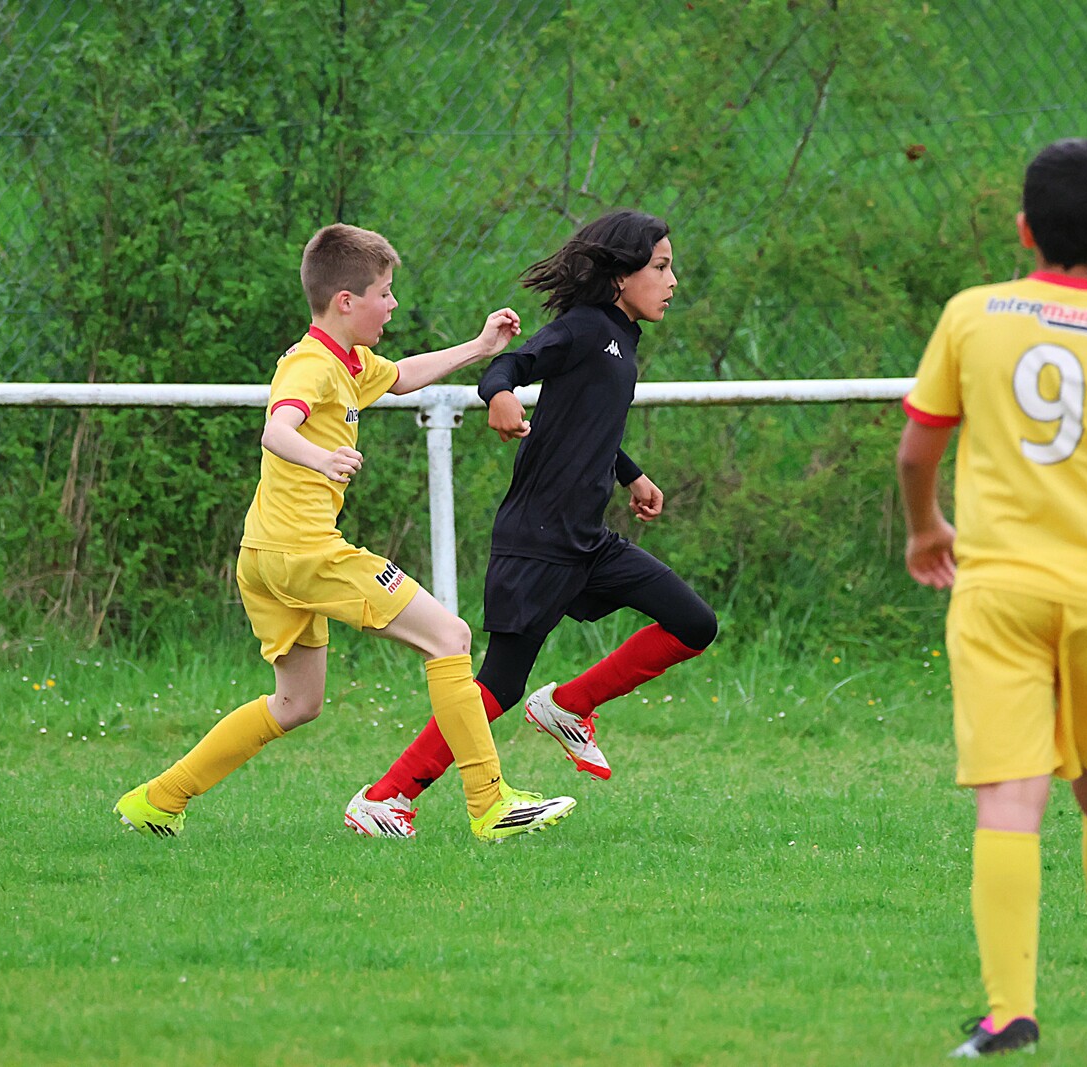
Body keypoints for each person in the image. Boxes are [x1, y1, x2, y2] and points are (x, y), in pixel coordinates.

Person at [114, 223, 576, 843]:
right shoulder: (311, 366)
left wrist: (479, 346)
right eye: (384, 293)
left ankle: (158, 800)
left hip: (265, 555)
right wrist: (321, 458)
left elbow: (402, 376)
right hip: (305, 552)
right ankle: (490, 805)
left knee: (296, 704)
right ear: (346, 301)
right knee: (450, 636)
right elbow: (277, 429)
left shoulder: (345, 360)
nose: (393, 305)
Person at [896, 139, 1087, 1057]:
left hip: (997, 592)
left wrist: (926, 527)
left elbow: (916, 449)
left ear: (1025, 229)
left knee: (1008, 798)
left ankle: (1009, 1013)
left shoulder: (972, 315)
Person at [343, 209, 718, 839]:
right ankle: (384, 798)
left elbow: (585, 421)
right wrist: (500, 396)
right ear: (621, 276)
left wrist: (630, 475)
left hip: (587, 540)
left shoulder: (622, 338)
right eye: (660, 267)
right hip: (539, 540)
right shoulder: (582, 328)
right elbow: (508, 367)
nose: (672, 280)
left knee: (695, 623)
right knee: (497, 684)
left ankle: (570, 705)